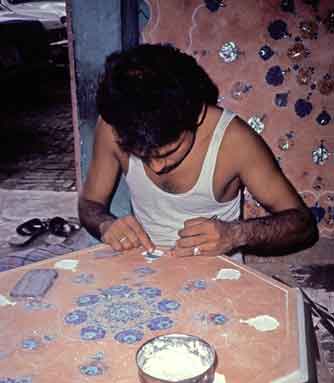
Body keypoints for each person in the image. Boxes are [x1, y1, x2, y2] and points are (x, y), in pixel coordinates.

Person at [79, 43, 318, 260]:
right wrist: (105, 224)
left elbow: (303, 225)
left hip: (215, 273)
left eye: (167, 152)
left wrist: (236, 234)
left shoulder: (235, 142)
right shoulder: (115, 127)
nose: (156, 167)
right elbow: (89, 204)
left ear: (199, 114)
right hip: (143, 268)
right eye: (142, 154)